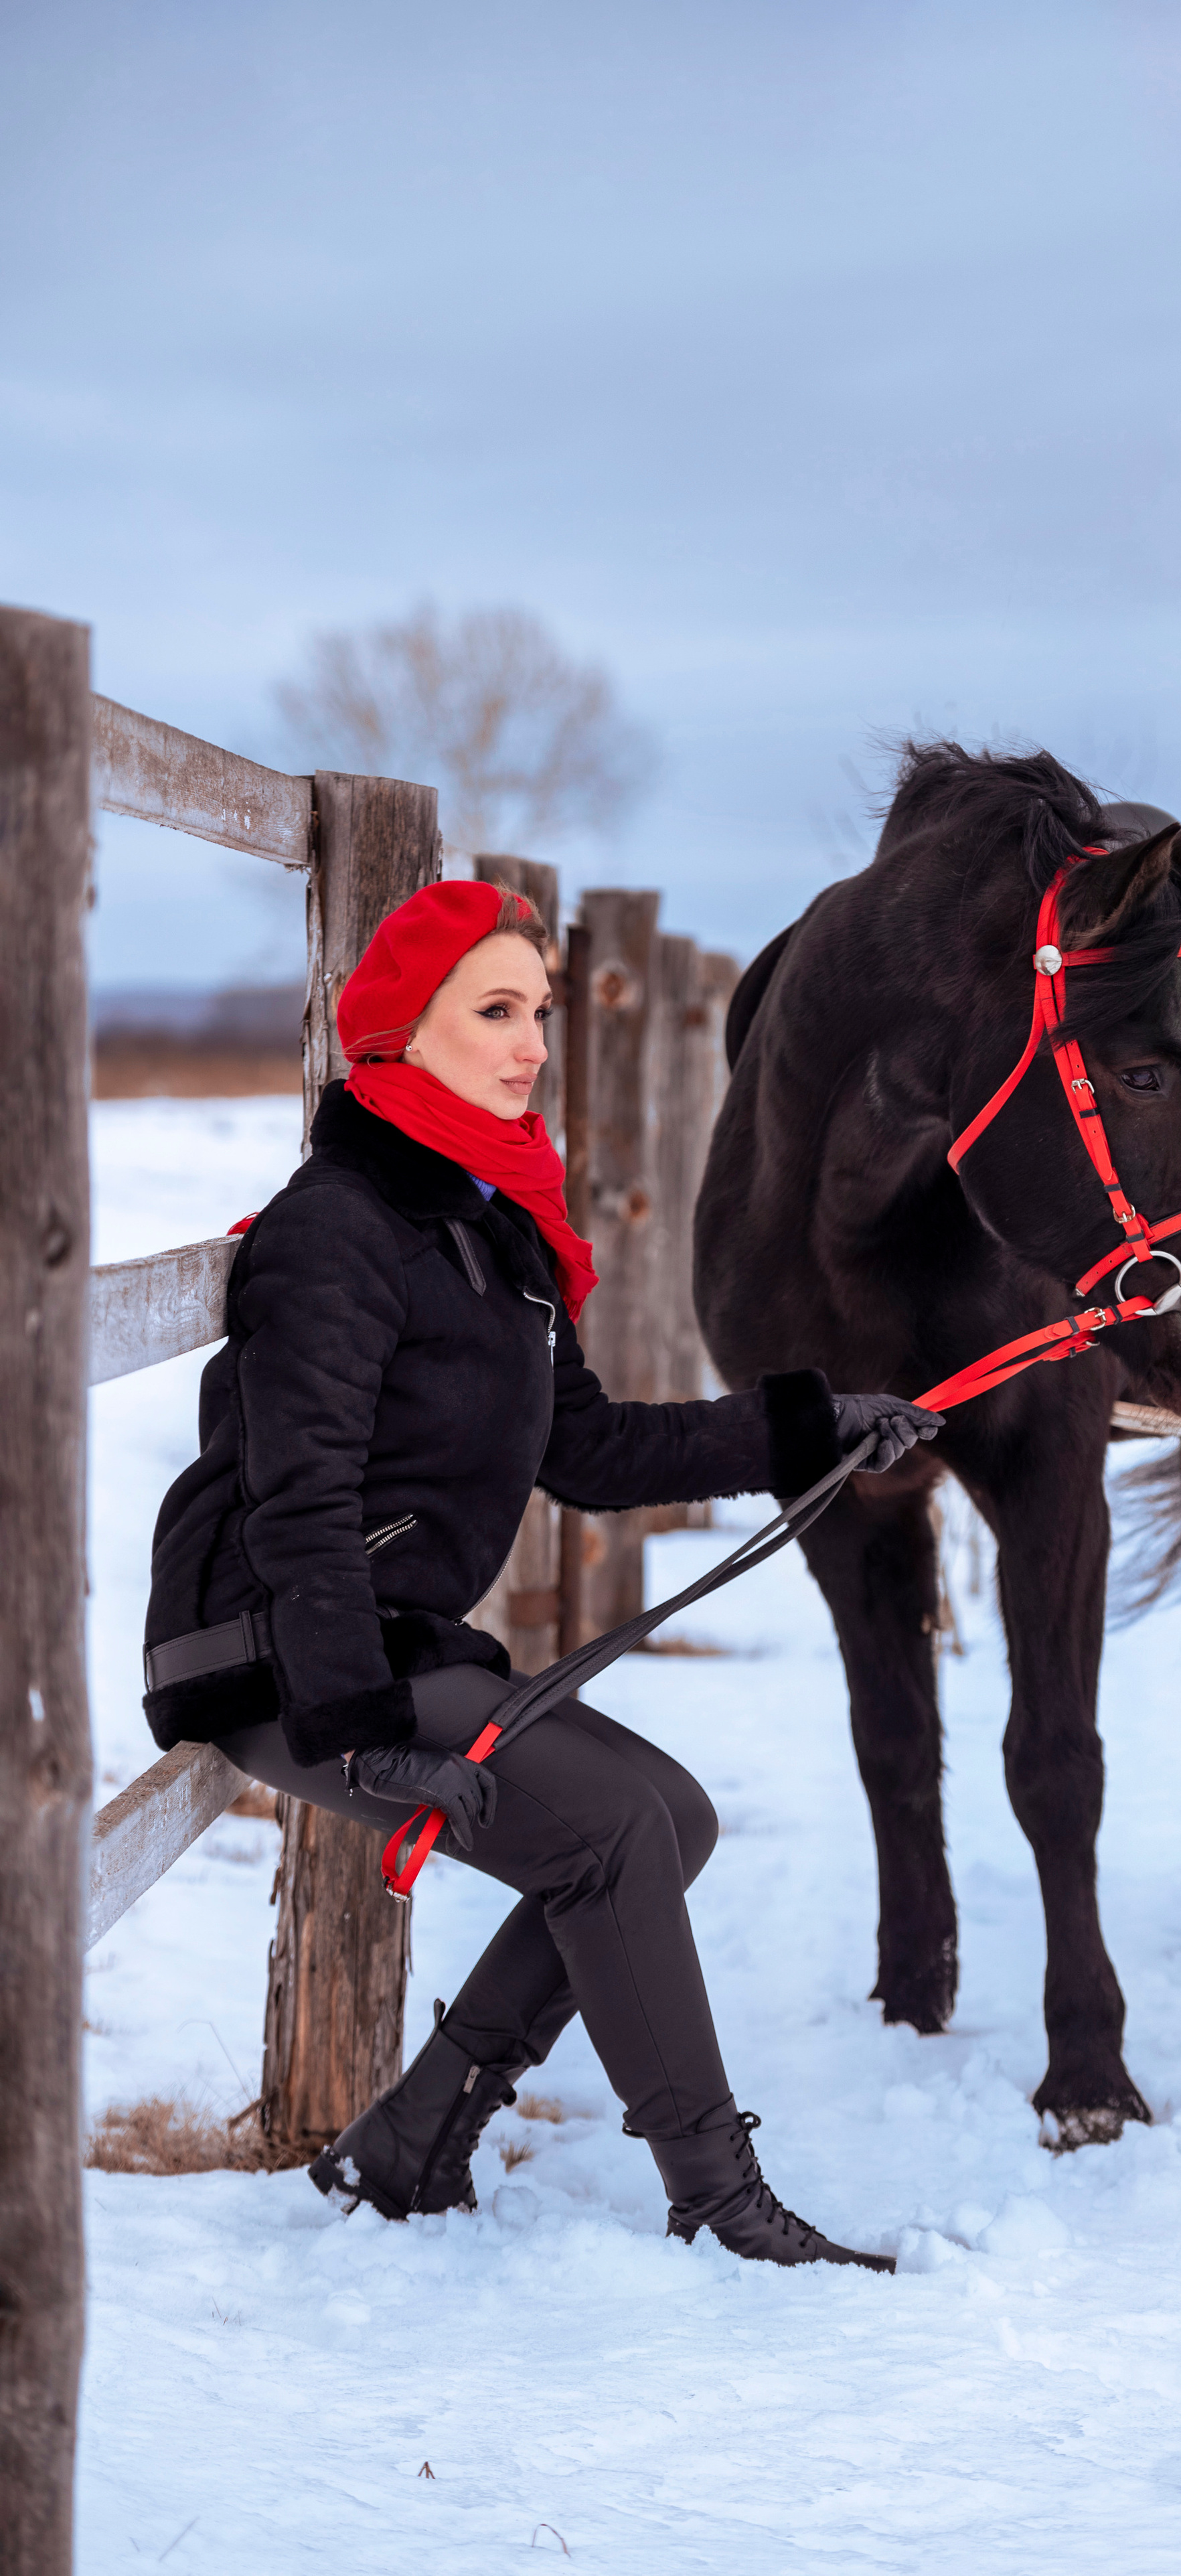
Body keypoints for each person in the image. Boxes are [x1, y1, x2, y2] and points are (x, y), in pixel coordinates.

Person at [141, 880, 940, 2269]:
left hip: (385, 1638)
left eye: (539, 1014)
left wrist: (814, 1423)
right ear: (400, 1030)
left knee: (669, 1818)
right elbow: (300, 1494)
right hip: (275, 1647)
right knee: (609, 1832)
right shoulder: (341, 1226)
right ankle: (717, 2195)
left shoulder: (494, 1226)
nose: (527, 1046)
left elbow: (588, 1446)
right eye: (492, 1011)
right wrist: (364, 1733)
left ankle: (411, 2137)